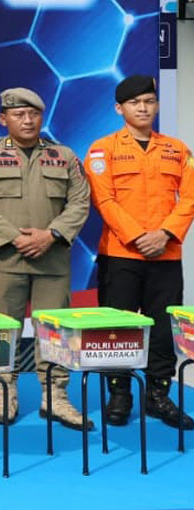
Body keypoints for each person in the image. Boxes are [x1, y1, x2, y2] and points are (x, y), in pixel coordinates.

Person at [0, 87, 91, 430]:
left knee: (54, 331)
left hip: (51, 260)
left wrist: (50, 235)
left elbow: (80, 202)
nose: (27, 120)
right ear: (3, 119)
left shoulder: (63, 155)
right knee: (4, 329)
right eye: (18, 114)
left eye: (34, 114)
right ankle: (4, 393)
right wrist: (15, 238)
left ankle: (55, 396)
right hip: (6, 259)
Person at [84, 75, 194, 430]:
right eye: (134, 103)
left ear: (157, 105)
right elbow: (104, 199)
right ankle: (119, 394)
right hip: (120, 255)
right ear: (119, 109)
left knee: (162, 329)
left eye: (149, 101)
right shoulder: (102, 150)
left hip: (166, 255)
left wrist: (164, 234)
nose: (143, 108)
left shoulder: (177, 149)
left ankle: (158, 395)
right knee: (117, 328)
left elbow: (190, 197)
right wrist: (137, 237)